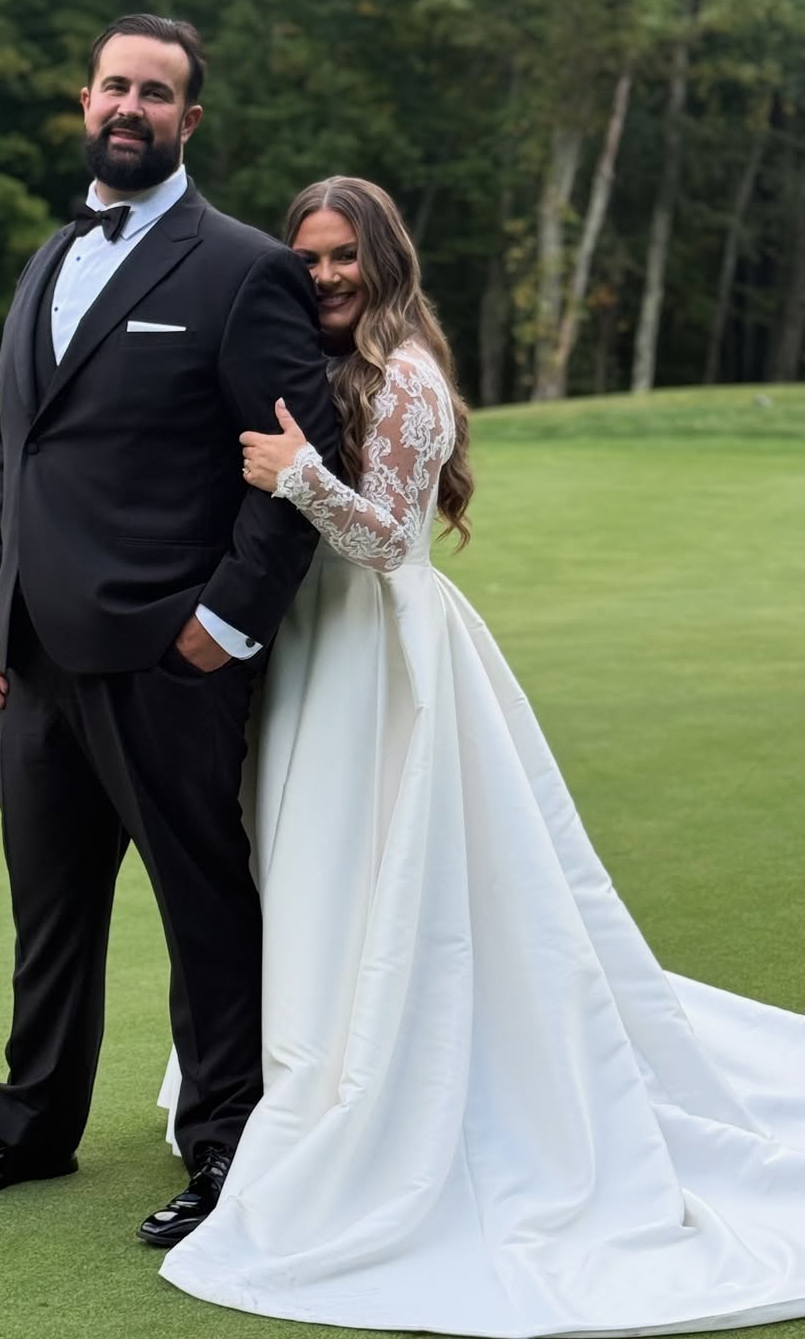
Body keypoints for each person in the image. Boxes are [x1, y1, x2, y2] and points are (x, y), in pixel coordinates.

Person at [156, 176, 805, 1335]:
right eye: (308, 257)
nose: (326, 277)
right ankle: (292, 1068)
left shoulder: (407, 376)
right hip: (309, 651)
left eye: (346, 255)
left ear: (387, 260)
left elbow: (391, 542)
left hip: (381, 653)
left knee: (381, 861)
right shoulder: (316, 361)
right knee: (301, 861)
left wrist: (299, 476)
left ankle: (394, 1081)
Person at [0, 15, 339, 1248]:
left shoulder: (243, 267)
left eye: (156, 92)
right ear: (85, 103)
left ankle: (226, 1148)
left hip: (166, 659)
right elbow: (12, 445)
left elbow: (307, 466)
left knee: (203, 911)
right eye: (113, 86)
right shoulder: (48, 259)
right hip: (33, 656)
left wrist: (224, 624)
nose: (129, 106)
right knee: (49, 910)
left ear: (189, 121)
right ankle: (32, 1124)